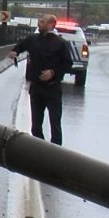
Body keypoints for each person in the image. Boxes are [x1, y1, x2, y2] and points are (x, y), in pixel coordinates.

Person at [8, 14, 73, 145]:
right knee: (36, 126)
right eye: (39, 21)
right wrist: (15, 52)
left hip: (52, 88)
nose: (39, 24)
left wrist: (53, 72)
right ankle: (40, 151)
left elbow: (67, 64)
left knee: (55, 124)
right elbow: (21, 46)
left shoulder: (61, 43)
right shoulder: (33, 40)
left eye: (42, 22)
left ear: (51, 25)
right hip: (36, 88)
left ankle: (55, 154)